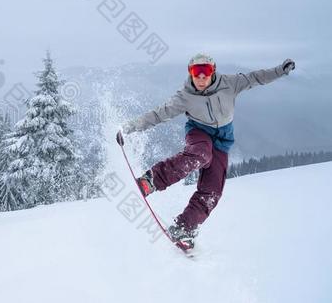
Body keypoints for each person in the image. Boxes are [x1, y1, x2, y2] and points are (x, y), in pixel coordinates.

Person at [115, 53, 295, 249]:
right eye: (196, 72)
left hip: (222, 142)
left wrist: (280, 71)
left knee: (213, 191)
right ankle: (151, 181)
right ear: (190, 73)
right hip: (199, 133)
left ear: (213, 71)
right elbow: (159, 114)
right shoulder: (185, 96)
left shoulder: (230, 84)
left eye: (206, 71)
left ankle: (184, 227)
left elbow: (256, 77)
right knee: (200, 154)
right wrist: (129, 127)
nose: (201, 77)